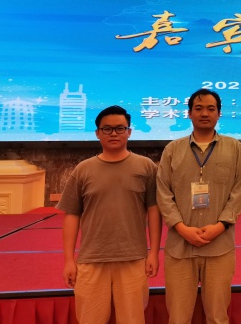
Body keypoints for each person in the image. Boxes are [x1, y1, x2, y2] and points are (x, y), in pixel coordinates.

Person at [57, 105, 161, 324]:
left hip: (133, 258)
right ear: (97, 133)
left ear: (129, 132)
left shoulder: (146, 167)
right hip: (91, 260)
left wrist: (153, 253)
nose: (114, 133)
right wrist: (69, 260)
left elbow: (154, 211)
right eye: (107, 129)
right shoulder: (83, 170)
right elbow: (72, 215)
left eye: (120, 128)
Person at [156, 89, 241, 324]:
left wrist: (220, 226)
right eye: (198, 108)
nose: (204, 113)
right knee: (178, 318)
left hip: (220, 247)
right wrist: (181, 228)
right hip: (180, 247)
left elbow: (239, 192)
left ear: (219, 114)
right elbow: (163, 193)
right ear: (189, 113)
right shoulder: (172, 150)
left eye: (210, 109)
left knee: (217, 317)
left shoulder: (234, 147)